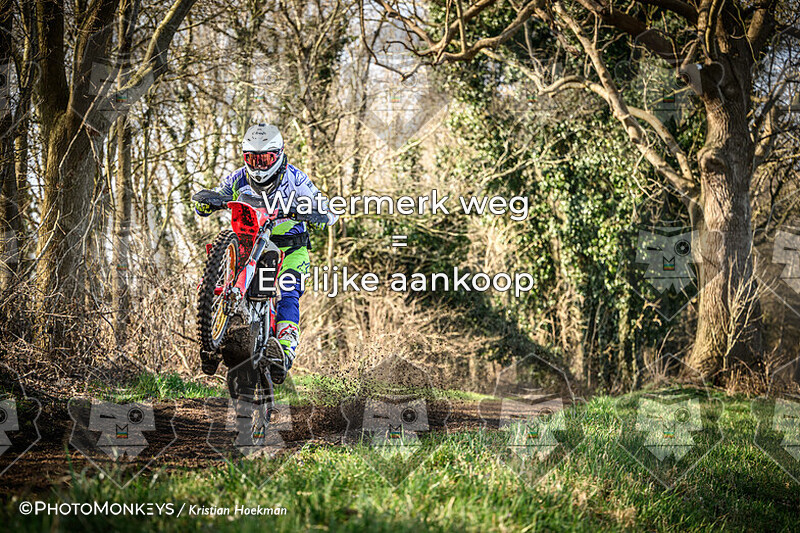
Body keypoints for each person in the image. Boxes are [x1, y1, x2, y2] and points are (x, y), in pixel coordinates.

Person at [193, 123, 337, 384]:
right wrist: (207, 203)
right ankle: (214, 335)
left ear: (279, 154)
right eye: (252, 159)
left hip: (290, 246)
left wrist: (317, 214)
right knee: (219, 271)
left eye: (265, 159)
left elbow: (327, 211)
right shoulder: (238, 178)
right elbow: (219, 195)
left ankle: (284, 348)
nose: (259, 166)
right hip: (250, 243)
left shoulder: (297, 179)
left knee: (288, 291)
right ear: (245, 157)